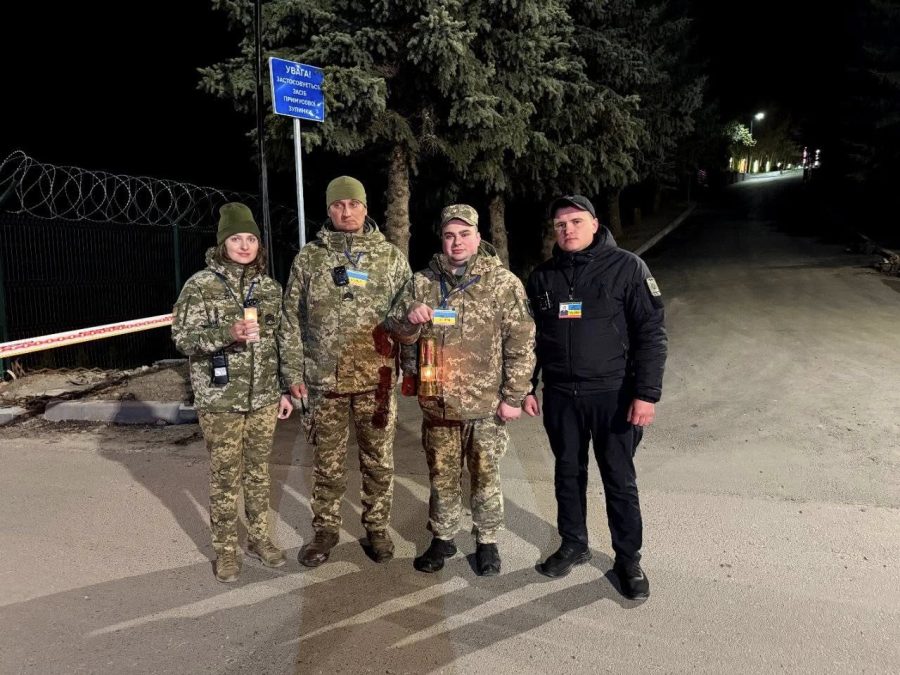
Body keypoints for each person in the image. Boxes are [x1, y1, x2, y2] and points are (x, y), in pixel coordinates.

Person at [524, 194, 667, 600]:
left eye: (575, 221)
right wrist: (527, 386)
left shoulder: (627, 267)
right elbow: (532, 340)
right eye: (560, 224)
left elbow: (652, 334)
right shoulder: (543, 277)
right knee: (567, 474)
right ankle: (574, 543)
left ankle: (628, 559)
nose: (567, 230)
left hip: (613, 395)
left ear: (594, 223)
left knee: (619, 480)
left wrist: (646, 394)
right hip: (561, 397)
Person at [385, 204, 535, 576]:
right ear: (441, 239)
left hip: (486, 404)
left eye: (464, 234)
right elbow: (395, 328)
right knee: (441, 475)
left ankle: (487, 540)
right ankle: (443, 538)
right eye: (449, 235)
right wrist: (409, 318)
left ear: (478, 237)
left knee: (485, 475)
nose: (457, 242)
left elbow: (521, 342)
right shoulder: (422, 283)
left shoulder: (503, 283)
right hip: (439, 402)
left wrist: (514, 397)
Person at [282, 176, 412, 567]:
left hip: (376, 379)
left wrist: (411, 368)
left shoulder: (390, 258)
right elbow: (291, 319)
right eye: (338, 205)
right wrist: (292, 373)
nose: (346, 211)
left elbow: (407, 316)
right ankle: (325, 530)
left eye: (353, 204)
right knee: (327, 462)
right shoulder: (310, 258)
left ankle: (377, 527)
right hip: (325, 381)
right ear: (329, 210)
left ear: (365, 208)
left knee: (378, 461)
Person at [172, 202, 294, 583]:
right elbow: (183, 338)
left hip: (263, 399)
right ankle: (225, 550)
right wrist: (227, 333)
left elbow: (281, 342)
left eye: (251, 239)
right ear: (223, 243)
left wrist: (284, 390)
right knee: (226, 477)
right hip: (220, 400)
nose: (244, 246)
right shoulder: (200, 286)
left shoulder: (269, 289)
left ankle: (259, 539)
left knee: (258, 473)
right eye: (236, 239)